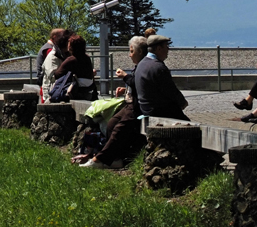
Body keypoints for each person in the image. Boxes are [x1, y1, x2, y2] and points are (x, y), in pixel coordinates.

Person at [81, 36, 147, 169]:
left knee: (119, 129)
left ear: (140, 52)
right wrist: (125, 89)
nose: (129, 55)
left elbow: (139, 83)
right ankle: (115, 158)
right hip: (129, 103)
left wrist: (125, 77)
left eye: (131, 51)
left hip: (136, 106)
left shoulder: (144, 65)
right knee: (111, 123)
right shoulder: (139, 65)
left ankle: (100, 159)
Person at [135, 34, 190, 121]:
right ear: (158, 48)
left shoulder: (141, 64)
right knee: (189, 128)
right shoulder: (158, 67)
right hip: (160, 111)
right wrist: (182, 102)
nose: (168, 49)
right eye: (166, 46)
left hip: (146, 109)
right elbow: (170, 90)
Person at [53, 34, 96, 101]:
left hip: (76, 90)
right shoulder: (87, 58)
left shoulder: (71, 60)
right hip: (88, 90)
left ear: (71, 47)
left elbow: (57, 75)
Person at [41, 29, 71, 103]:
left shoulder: (66, 55)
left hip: (62, 93)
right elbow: (53, 77)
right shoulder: (52, 57)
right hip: (53, 94)